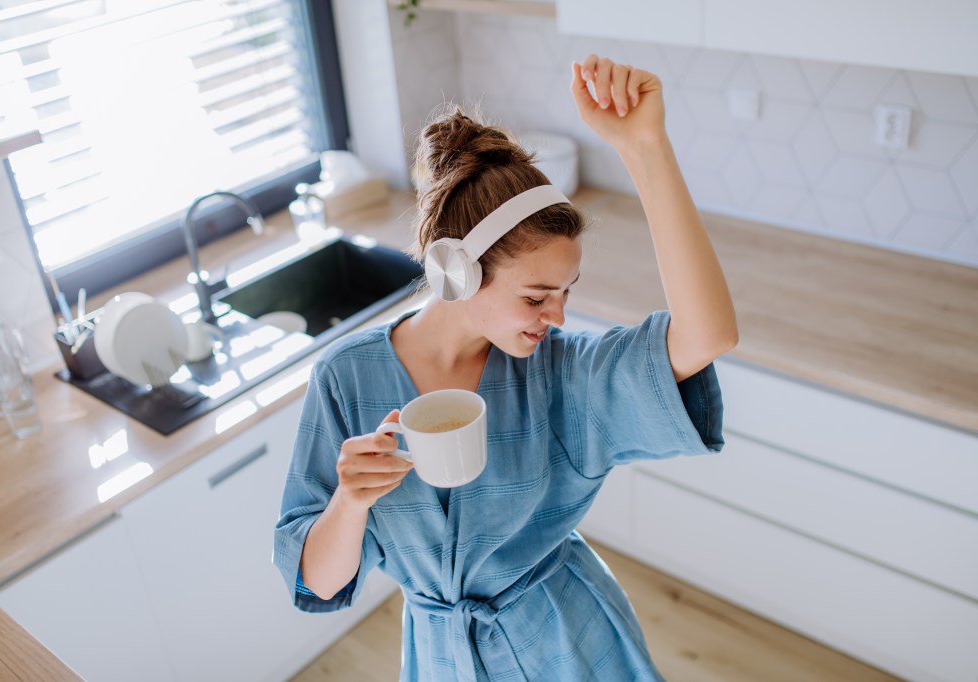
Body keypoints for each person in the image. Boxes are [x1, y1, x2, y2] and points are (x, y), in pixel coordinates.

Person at [274, 53, 738, 681]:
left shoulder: (560, 375)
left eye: (567, 292)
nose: (558, 318)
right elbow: (317, 584)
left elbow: (708, 335)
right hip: (443, 658)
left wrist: (645, 146)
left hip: (569, 642)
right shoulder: (346, 379)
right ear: (456, 271)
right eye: (536, 296)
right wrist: (350, 502)